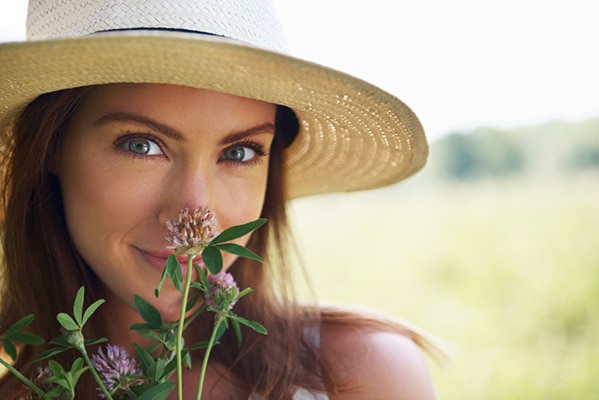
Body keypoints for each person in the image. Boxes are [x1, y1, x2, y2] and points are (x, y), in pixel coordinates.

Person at [0, 0, 440, 398]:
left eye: (238, 152)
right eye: (142, 145)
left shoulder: (361, 377)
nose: (197, 213)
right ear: (51, 147)